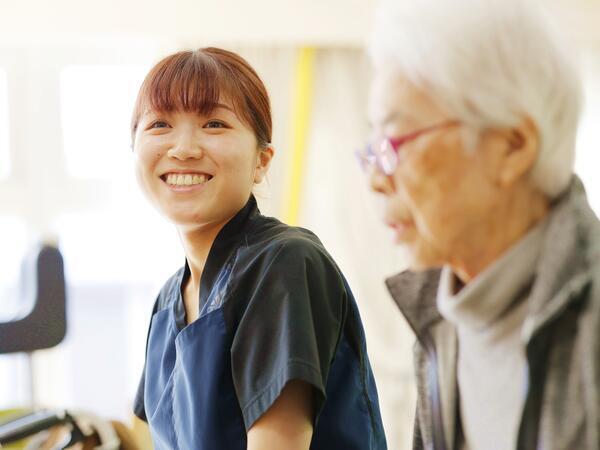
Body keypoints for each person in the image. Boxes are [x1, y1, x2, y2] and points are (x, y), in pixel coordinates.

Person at [359, 0, 600, 449]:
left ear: (512, 146)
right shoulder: (440, 322)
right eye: (373, 148)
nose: (376, 178)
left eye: (396, 141)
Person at [131, 47, 387, 450]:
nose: (183, 148)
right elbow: (146, 439)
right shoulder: (168, 300)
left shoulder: (284, 262)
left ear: (262, 161)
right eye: (160, 124)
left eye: (214, 123)